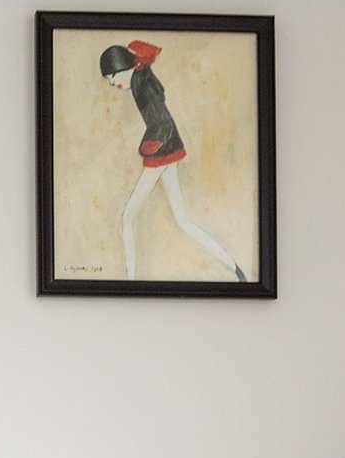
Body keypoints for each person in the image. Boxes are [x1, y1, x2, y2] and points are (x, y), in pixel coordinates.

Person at [99, 40, 245, 282]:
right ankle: (235, 269)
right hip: (170, 149)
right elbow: (162, 107)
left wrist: (146, 147)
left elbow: (163, 123)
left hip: (162, 152)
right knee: (182, 220)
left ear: (121, 68)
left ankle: (130, 283)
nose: (112, 84)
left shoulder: (141, 85)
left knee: (127, 217)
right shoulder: (142, 76)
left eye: (111, 77)